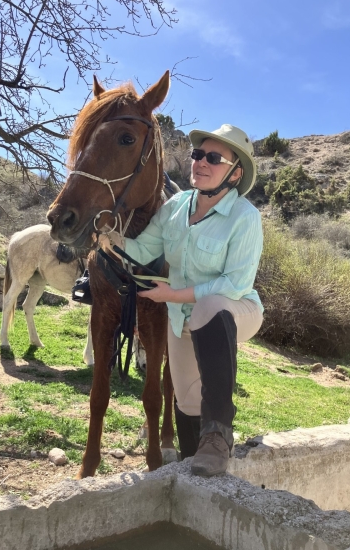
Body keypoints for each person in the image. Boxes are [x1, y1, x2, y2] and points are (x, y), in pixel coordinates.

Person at [99, 124, 264, 477]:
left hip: (236, 310)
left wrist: (170, 294)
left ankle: (219, 437)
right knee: (187, 400)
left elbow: (234, 284)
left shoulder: (245, 217)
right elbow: (144, 250)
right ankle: (195, 463)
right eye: (198, 154)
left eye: (214, 158)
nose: (201, 162)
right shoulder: (175, 207)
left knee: (209, 306)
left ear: (235, 174)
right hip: (182, 317)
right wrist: (112, 239)